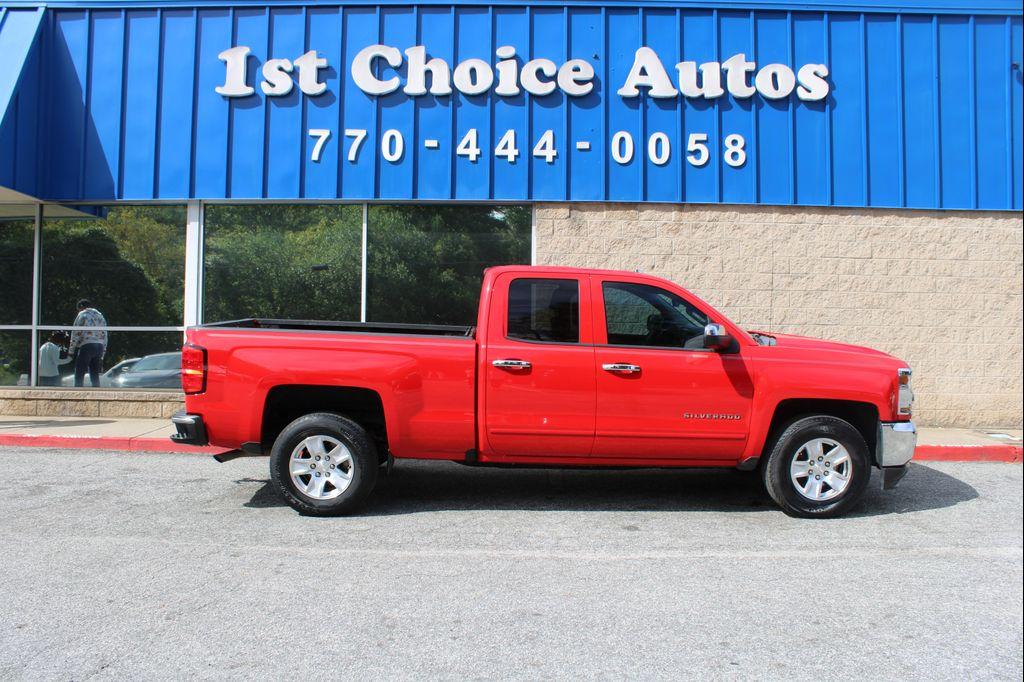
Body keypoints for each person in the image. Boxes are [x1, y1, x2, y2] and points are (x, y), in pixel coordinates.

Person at [69, 298, 108, 387]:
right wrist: (103, 353)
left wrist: (71, 350)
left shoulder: (83, 314)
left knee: (79, 371)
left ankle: (78, 391)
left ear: (81, 307)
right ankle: (96, 391)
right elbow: (105, 334)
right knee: (95, 374)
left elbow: (76, 333)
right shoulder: (100, 316)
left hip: (87, 345)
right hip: (99, 346)